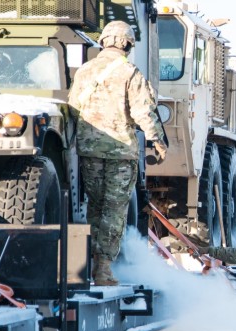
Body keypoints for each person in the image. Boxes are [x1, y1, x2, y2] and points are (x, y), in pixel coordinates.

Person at [68, 20, 166, 285]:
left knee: (95, 208)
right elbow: (142, 112)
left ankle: (86, 266)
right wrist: (158, 140)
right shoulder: (129, 72)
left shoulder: (84, 71)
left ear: (104, 41)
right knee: (114, 210)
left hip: (88, 151)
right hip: (120, 153)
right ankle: (103, 269)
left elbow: (73, 108)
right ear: (126, 43)